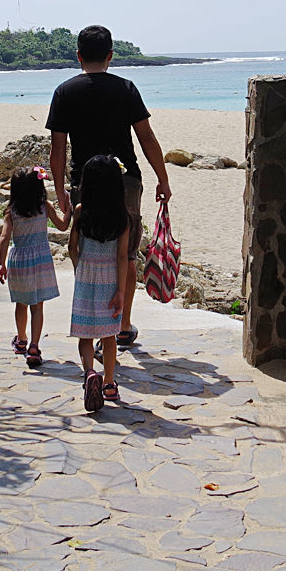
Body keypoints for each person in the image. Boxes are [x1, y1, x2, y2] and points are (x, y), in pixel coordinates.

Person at [47, 24, 172, 350]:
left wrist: (61, 191)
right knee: (126, 253)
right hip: (125, 181)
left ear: (78, 56)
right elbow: (147, 138)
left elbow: (57, 149)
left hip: (85, 184)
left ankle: (98, 320)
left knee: (89, 253)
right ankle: (122, 324)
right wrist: (163, 178)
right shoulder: (126, 88)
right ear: (110, 55)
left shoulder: (64, 92)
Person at [67, 154, 134, 410]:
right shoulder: (123, 219)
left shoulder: (81, 211)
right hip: (109, 279)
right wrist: (119, 291)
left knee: (85, 334)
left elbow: (72, 246)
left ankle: (88, 374)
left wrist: (79, 267)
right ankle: (108, 382)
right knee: (108, 336)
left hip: (86, 276)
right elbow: (121, 256)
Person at [0, 166, 69, 369]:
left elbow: (4, 239)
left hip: (19, 261)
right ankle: (34, 347)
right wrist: (70, 210)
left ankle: (21, 339)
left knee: (21, 303)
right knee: (37, 306)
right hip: (41, 261)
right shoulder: (44, 207)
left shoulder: (12, 212)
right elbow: (62, 226)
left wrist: (2, 264)